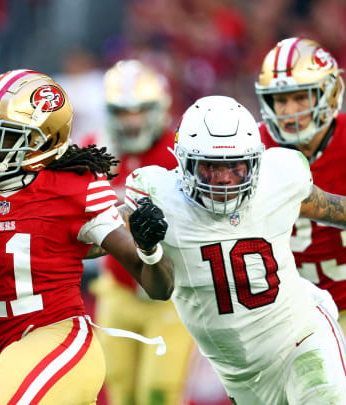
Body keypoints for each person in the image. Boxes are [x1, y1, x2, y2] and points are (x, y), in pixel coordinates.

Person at [0, 69, 174, 405]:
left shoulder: (74, 188)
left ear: (40, 142)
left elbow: (160, 288)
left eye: (1, 134)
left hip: (63, 343)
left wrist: (149, 248)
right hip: (10, 354)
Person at [122, 95, 346, 404]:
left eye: (235, 167)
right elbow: (154, 286)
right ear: (185, 163)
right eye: (210, 167)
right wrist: (147, 247)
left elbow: (342, 211)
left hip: (302, 339)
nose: (224, 180)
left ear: (255, 161)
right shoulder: (158, 198)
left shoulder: (279, 179)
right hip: (241, 376)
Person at [255, 37, 346, 400]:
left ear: (329, 93)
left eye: (301, 96)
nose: (289, 109)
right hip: (287, 315)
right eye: (280, 99)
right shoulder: (250, 148)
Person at [88, 59, 194, 405]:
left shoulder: (179, 151)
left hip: (171, 294)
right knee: (121, 393)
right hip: (117, 289)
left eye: (139, 110)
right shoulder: (93, 152)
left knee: (159, 392)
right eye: (121, 111)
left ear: (158, 109)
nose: (131, 120)